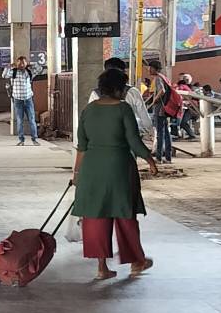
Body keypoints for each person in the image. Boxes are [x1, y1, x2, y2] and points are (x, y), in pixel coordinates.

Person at [71, 66, 157, 281]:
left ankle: (102, 268)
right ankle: (136, 261)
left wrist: (77, 174)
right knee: (125, 214)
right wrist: (150, 160)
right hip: (119, 168)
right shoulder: (123, 109)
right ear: (119, 89)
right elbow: (133, 141)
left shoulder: (88, 110)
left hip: (91, 169)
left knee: (95, 217)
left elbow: (82, 146)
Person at [92, 57, 154, 147]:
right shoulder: (133, 92)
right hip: (127, 140)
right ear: (123, 73)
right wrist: (149, 132)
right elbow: (145, 119)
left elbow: (90, 120)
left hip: (102, 139)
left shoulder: (95, 93)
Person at [144, 56, 176, 164]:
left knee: (159, 133)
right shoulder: (164, 77)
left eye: (150, 68)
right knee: (166, 132)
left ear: (154, 68)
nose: (148, 70)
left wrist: (154, 100)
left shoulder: (158, 78)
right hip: (165, 108)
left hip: (160, 109)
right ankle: (168, 157)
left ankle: (158, 158)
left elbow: (162, 91)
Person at [7, 56, 40, 146]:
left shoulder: (29, 72)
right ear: (17, 64)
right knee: (19, 120)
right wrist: (9, 67)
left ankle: (34, 139)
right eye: (20, 63)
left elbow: (39, 68)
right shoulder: (13, 72)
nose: (21, 65)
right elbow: (4, 75)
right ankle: (21, 140)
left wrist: (31, 64)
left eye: (23, 63)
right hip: (18, 100)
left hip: (28, 99)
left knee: (32, 119)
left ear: (26, 64)